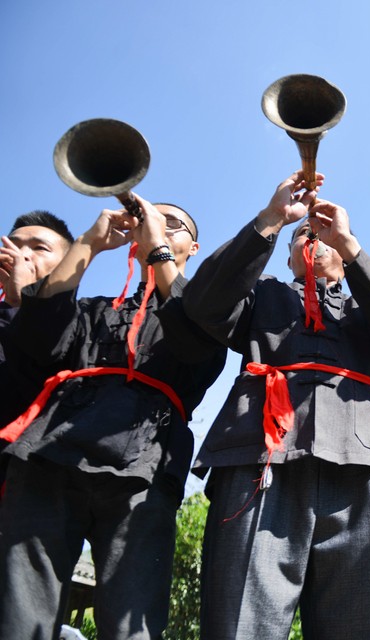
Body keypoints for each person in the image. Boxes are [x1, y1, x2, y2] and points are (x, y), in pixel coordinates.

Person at [181, 170, 370, 639]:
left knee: (358, 626)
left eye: (323, 234)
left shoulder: (362, 310)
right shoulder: (262, 294)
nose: (313, 239)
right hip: (259, 459)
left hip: (359, 468)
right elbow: (204, 303)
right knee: (241, 625)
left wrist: (350, 246)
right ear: (288, 254)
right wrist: (270, 221)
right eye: (302, 236)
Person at [0, 198, 226, 639]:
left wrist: (156, 245)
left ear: (193, 247)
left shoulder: (204, 308)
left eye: (171, 223)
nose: (154, 226)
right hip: (48, 454)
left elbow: (198, 346)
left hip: (144, 467)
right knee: (20, 618)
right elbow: (35, 337)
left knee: (132, 623)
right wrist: (88, 243)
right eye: (148, 218)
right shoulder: (92, 308)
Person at [0, 211, 74, 439]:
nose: (20, 255)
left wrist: (23, 299)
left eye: (39, 248)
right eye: (13, 245)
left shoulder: (78, 323)